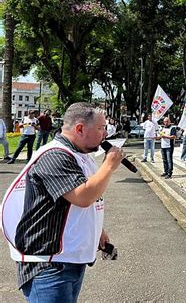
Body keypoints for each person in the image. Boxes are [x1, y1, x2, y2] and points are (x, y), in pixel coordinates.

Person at [1, 102, 124, 302]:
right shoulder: (55, 155)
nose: (105, 134)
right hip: (49, 264)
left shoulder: (79, 154)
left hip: (68, 260)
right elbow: (83, 196)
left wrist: (97, 229)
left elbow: (78, 200)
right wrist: (109, 166)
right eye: (101, 128)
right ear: (80, 128)